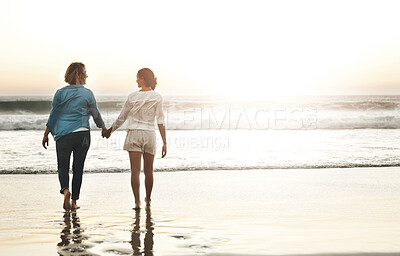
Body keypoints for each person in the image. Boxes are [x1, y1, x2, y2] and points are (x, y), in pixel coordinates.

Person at [42, 62, 108, 211]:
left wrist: (46, 134)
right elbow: (95, 114)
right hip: (83, 135)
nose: (86, 75)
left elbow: (54, 115)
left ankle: (66, 190)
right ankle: (74, 202)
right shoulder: (88, 93)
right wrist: (103, 128)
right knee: (78, 168)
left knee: (62, 167)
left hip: (64, 135)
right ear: (78, 74)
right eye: (84, 72)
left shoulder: (60, 93)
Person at [104, 68, 167, 210]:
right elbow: (160, 120)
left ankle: (137, 202)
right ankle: (148, 200)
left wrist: (110, 131)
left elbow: (122, 117)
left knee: (135, 171)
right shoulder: (157, 97)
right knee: (149, 171)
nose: (136, 80)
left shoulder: (132, 97)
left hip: (134, 134)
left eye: (138, 77)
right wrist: (164, 141)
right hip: (149, 134)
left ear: (143, 78)